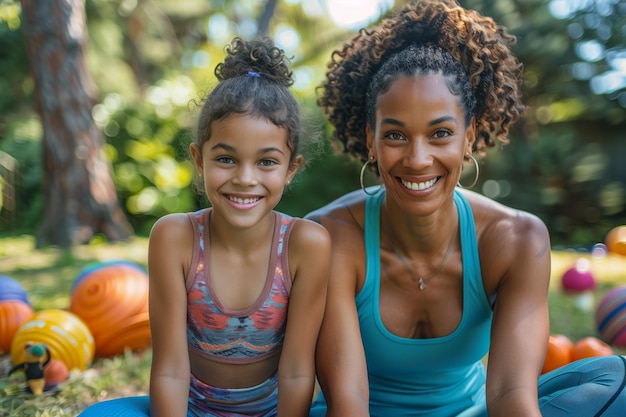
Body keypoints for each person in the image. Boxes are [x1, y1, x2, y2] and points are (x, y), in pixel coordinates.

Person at [307, 1, 626, 416]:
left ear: (469, 136)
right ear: (371, 139)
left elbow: (512, 396)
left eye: (440, 133)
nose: (418, 159)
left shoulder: (517, 240)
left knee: (613, 380)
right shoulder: (330, 238)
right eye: (396, 135)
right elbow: (347, 404)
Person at [78, 36, 330, 417]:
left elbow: (296, 373)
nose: (246, 179)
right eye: (226, 158)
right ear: (199, 159)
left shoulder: (305, 244)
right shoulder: (175, 238)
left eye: (266, 162)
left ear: (291, 168)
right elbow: (170, 370)